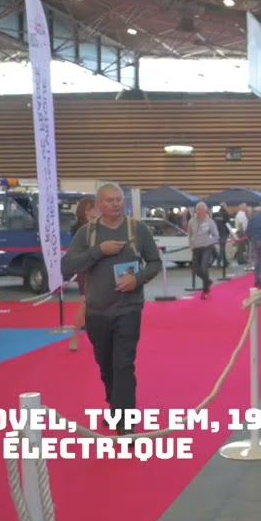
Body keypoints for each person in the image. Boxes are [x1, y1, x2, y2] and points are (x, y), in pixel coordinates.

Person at [60, 183, 162, 434]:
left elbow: (154, 263)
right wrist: (99, 251)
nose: (116, 204)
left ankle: (126, 426)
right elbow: (67, 266)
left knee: (124, 363)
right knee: (105, 364)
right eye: (110, 200)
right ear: (98, 205)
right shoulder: (87, 233)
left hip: (129, 309)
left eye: (119, 199)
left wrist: (136, 279)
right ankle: (115, 406)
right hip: (97, 310)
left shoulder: (138, 230)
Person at [68, 196, 99, 350]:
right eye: (89, 209)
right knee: (85, 303)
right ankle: (74, 337)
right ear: (83, 211)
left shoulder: (103, 224)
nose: (93, 212)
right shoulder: (77, 228)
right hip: (85, 268)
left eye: (95, 208)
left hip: (102, 267)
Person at [187, 201, 220, 298]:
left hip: (207, 248)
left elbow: (216, 236)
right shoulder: (191, 221)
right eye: (198, 209)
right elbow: (189, 235)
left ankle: (205, 291)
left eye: (201, 209)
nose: (200, 211)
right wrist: (191, 244)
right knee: (196, 270)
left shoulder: (210, 221)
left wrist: (208, 241)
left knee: (203, 268)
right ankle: (208, 281)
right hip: (196, 248)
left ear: (205, 210)